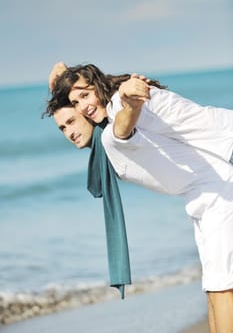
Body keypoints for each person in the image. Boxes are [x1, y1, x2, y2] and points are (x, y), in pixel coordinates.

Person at [45, 64, 233, 333]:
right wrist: (59, 83)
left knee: (222, 284)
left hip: (223, 170)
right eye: (63, 126)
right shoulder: (107, 123)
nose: (70, 130)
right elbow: (64, 79)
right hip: (205, 191)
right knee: (215, 284)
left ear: (98, 85)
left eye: (72, 119)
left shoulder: (116, 115)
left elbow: (124, 123)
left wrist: (131, 102)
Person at [48, 62, 233, 165]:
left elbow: (122, 120)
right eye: (76, 102)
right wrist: (61, 70)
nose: (83, 106)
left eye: (85, 95)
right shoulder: (113, 98)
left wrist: (128, 96)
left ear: (97, 85)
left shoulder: (118, 102)